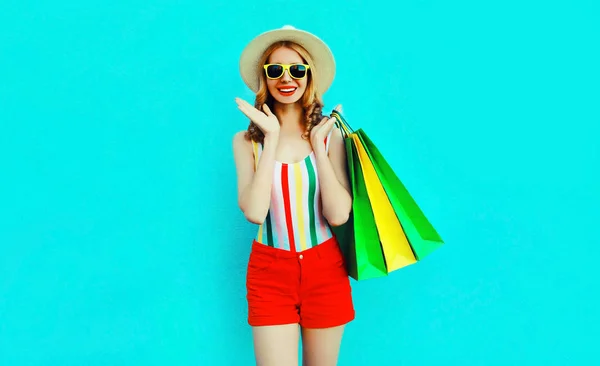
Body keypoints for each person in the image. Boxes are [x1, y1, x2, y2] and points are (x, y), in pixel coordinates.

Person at [233, 25, 355, 366]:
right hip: (269, 271)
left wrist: (318, 144)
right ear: (265, 79)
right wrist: (270, 139)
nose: (287, 78)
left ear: (308, 75)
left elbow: (339, 214)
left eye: (296, 69)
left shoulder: (330, 137)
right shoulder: (246, 143)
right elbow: (255, 213)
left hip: (324, 268)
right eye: (275, 70)